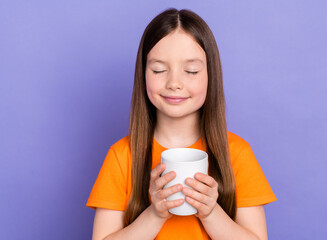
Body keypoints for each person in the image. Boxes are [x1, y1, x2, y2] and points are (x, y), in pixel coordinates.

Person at [86, 8, 277, 240]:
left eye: (191, 71)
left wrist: (211, 213)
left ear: (210, 75)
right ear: (142, 74)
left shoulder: (236, 153)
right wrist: (155, 214)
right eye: (159, 70)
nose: (174, 83)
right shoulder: (122, 156)